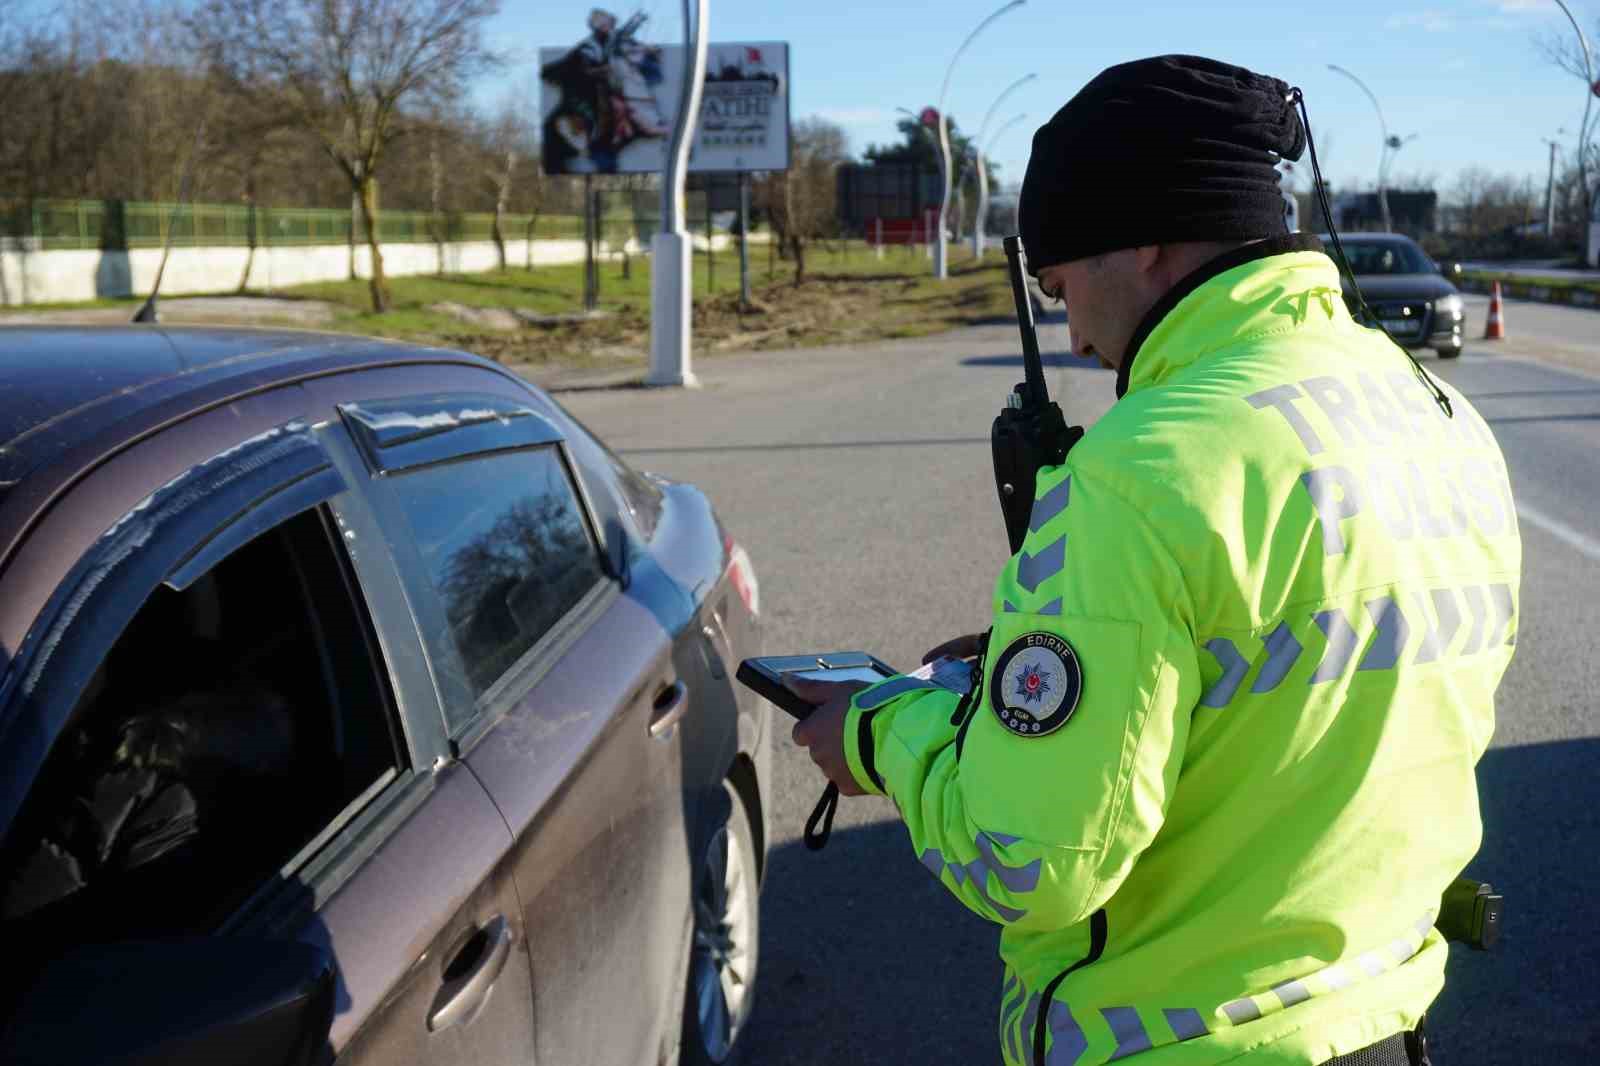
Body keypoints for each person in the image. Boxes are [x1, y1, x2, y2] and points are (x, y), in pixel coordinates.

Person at [789, 55, 1520, 1066]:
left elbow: (1034, 863)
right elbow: (1302, 686)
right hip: (1377, 1018)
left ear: (1142, 245)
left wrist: (879, 733)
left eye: (1060, 286)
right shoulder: (1435, 414)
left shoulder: (1138, 471)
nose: (1075, 336)